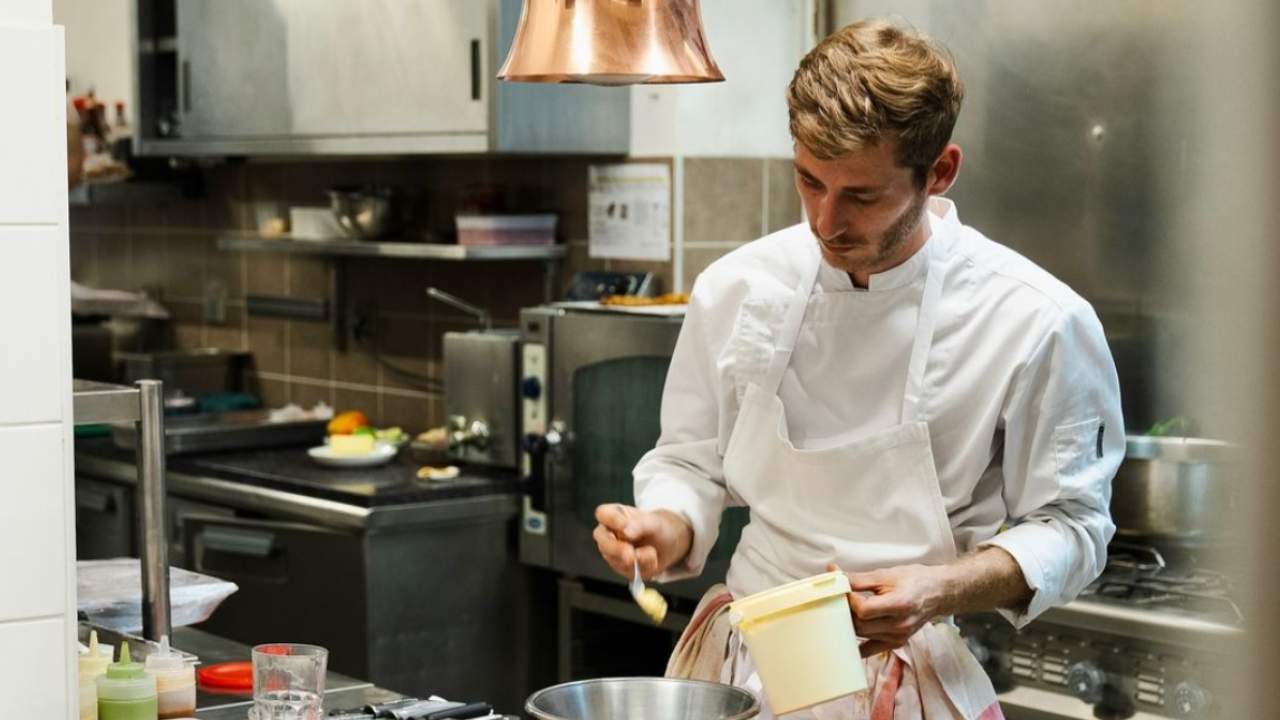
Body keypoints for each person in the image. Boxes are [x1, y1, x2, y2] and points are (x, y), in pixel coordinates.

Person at [593, 18, 1123, 720]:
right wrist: (669, 522)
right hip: (743, 671)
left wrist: (939, 590)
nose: (825, 222)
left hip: (909, 682)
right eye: (810, 181)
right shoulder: (737, 286)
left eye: (861, 197)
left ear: (939, 173)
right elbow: (692, 462)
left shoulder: (1037, 320)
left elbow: (1074, 526)